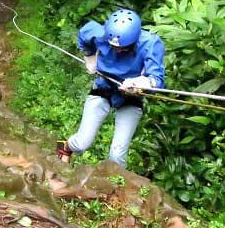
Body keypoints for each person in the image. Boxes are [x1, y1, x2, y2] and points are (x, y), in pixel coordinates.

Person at [56, 9, 165, 168]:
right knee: (81, 143)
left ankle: (113, 186)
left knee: (117, 154)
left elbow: (157, 79)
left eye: (123, 48)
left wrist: (142, 83)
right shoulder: (99, 32)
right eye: (113, 46)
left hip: (131, 97)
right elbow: (84, 37)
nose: (117, 50)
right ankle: (64, 147)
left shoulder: (150, 43)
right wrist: (89, 56)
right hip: (104, 88)